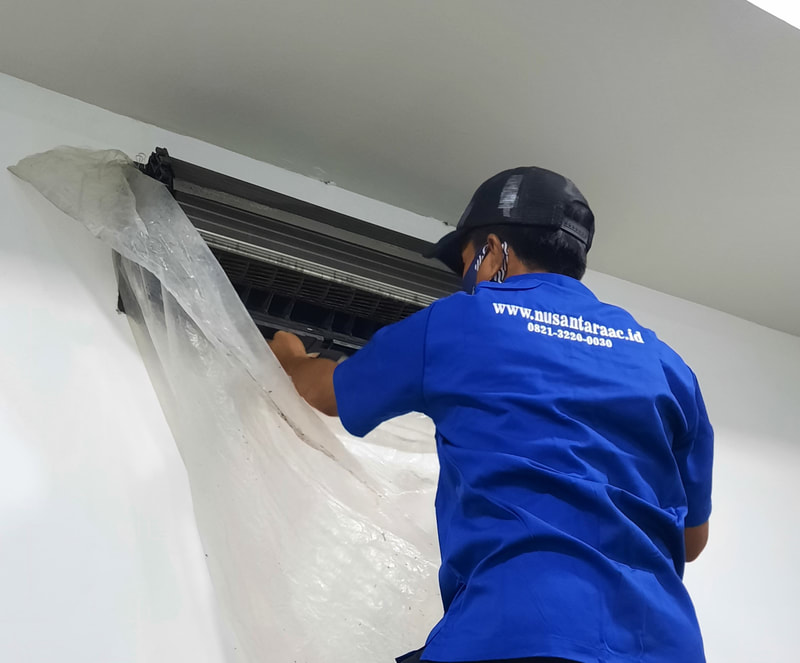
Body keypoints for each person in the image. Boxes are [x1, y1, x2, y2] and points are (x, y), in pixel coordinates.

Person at [268, 167, 713, 663]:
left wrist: (289, 356)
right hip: (665, 648)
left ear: (495, 251)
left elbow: (326, 393)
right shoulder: (667, 365)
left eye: (467, 264)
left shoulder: (463, 320)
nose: (468, 280)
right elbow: (692, 539)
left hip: (515, 634)